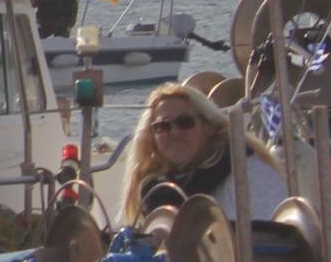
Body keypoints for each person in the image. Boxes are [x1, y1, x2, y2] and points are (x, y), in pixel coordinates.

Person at [122, 80, 286, 221]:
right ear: (152, 138)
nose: (174, 132)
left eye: (185, 122)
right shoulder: (155, 194)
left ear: (208, 127)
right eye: (163, 126)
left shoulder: (247, 173)